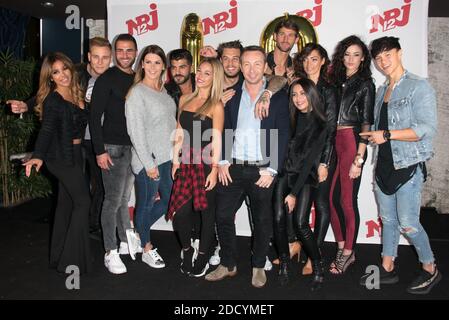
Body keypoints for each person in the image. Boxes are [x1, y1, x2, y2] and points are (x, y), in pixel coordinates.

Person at [359, 36, 441, 294]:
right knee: (387, 219)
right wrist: (368, 135)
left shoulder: (419, 87)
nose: (383, 61)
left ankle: (430, 267)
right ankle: (387, 266)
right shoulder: (382, 90)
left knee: (408, 223)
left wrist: (388, 135)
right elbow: (379, 127)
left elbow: (427, 129)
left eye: (387, 55)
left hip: (407, 165)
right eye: (378, 57)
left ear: (400, 53)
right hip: (383, 164)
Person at [205, 46, 290, 288]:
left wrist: (272, 169)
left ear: (265, 66)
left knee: (262, 221)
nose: (251, 69)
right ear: (240, 67)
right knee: (222, 216)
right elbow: (222, 129)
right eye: (246, 64)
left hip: (261, 170)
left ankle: (258, 265)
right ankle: (228, 263)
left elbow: (282, 133)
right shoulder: (230, 95)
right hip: (232, 167)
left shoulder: (278, 95)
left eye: (257, 64)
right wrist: (221, 161)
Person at [8, 38, 112, 235]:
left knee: (98, 187)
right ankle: (78, 235)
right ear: (89, 57)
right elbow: (47, 94)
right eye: (96, 57)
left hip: (98, 142)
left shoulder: (113, 77)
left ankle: (91, 226)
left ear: (110, 59)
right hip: (71, 144)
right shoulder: (76, 72)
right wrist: (26, 105)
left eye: (105, 57)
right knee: (75, 195)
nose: (100, 62)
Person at [23, 52, 91, 274]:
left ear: (71, 69)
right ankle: (71, 261)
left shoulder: (75, 91)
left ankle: (58, 256)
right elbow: (47, 129)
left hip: (76, 153)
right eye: (56, 72)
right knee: (83, 203)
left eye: (65, 69)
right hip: (60, 156)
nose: (62, 75)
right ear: (50, 77)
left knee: (66, 204)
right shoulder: (54, 100)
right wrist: (38, 155)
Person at [168, 58, 224, 277]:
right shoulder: (184, 98)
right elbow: (179, 133)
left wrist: (215, 169)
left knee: (207, 214)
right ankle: (187, 248)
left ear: (214, 78)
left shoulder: (216, 105)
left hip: (206, 163)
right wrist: (175, 161)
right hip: (186, 162)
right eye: (199, 71)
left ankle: (203, 254)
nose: (200, 75)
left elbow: (218, 138)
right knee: (180, 213)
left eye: (207, 73)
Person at [89, 33, 140, 274]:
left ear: (135, 52)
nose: (125, 55)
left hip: (133, 148)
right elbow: (94, 116)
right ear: (114, 53)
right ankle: (110, 251)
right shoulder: (107, 78)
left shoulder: (139, 78)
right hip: (111, 148)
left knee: (122, 200)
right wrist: (99, 150)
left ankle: (122, 241)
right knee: (111, 201)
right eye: (120, 50)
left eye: (129, 50)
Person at [125, 45, 176, 269]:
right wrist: (148, 164)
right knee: (145, 205)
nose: (153, 66)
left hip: (166, 158)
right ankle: (146, 247)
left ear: (163, 66)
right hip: (149, 161)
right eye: (148, 62)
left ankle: (137, 231)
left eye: (157, 62)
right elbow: (135, 131)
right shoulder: (137, 93)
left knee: (168, 201)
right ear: (142, 65)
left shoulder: (163, 92)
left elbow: (169, 124)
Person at [273, 78, 327, 290]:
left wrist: (293, 194)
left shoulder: (321, 124)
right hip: (284, 174)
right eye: (294, 95)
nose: (298, 99)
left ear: (311, 95)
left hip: (304, 179)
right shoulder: (291, 118)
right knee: (277, 218)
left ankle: (318, 265)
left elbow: (310, 162)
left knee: (301, 222)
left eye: (302, 94)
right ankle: (284, 263)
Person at [328, 35, 375, 275]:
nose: (351, 59)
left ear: (363, 57)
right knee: (331, 199)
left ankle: (348, 252)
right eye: (347, 54)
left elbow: (367, 122)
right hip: (334, 142)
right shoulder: (335, 80)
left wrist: (359, 158)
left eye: (356, 54)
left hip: (351, 141)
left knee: (347, 200)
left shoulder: (366, 83)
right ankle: (340, 247)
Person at [291, 43, 337, 274]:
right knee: (301, 204)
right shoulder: (300, 85)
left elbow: (330, 128)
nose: (310, 64)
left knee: (320, 203)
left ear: (323, 61)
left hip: (323, 155)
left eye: (315, 59)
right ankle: (299, 243)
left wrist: (324, 162)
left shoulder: (328, 89)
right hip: (303, 158)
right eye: (306, 59)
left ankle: (314, 254)